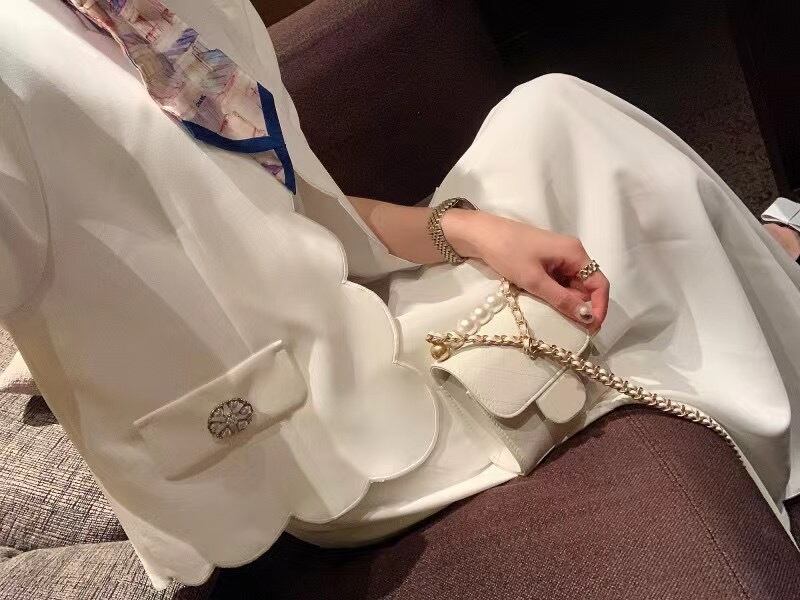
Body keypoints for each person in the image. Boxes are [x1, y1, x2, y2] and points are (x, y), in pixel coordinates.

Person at [2, 0, 800, 590]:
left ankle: (765, 266)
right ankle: (771, 272)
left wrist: (472, 230)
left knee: (557, 112)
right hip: (307, 436)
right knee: (632, 219)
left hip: (349, 302)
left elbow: (289, 207)